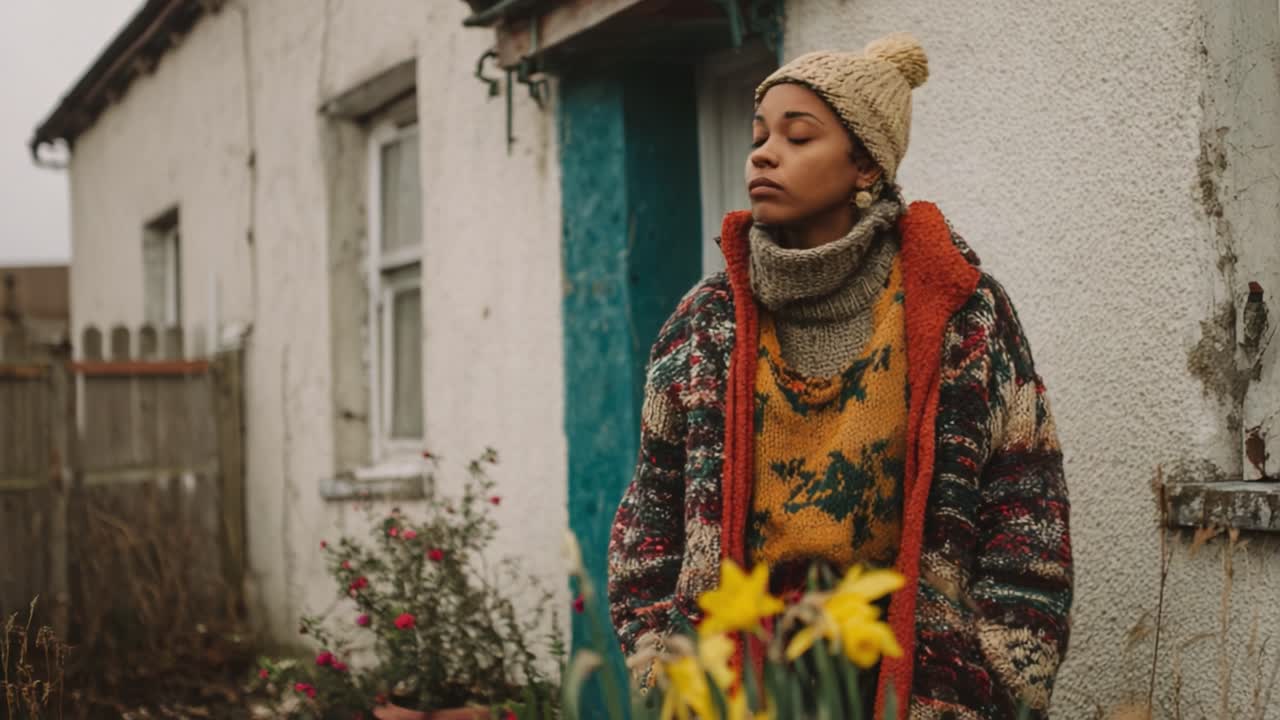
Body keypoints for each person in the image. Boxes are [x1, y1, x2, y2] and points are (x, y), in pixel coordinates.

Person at [607, 32, 1072, 719]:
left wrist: (989, 684)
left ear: (864, 167)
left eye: (799, 137)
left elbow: (1026, 516)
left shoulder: (962, 314)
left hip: (910, 684)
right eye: (760, 134)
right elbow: (651, 515)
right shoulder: (704, 324)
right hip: (739, 692)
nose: (764, 153)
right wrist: (663, 668)